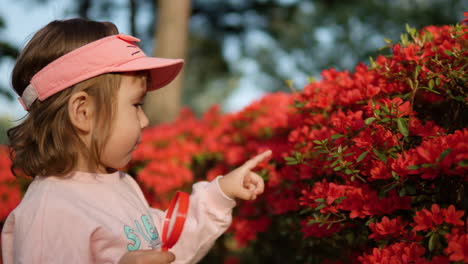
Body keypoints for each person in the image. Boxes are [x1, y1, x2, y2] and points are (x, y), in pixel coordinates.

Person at [1, 18, 271, 264]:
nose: (145, 120)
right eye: (135, 105)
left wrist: (220, 194)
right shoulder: (49, 216)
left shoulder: (119, 183)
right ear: (83, 112)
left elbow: (167, 244)